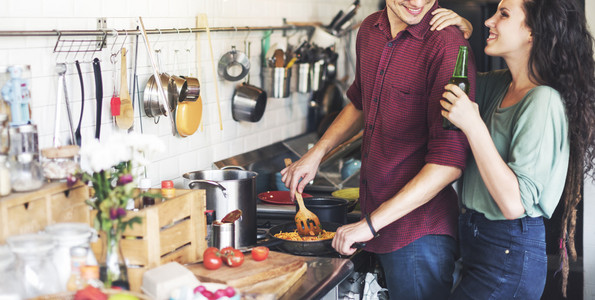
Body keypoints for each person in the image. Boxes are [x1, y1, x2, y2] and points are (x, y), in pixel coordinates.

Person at [281, 0, 476, 299]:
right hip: (375, 222)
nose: (417, 2)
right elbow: (360, 101)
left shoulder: (447, 43)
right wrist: (317, 153)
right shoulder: (369, 31)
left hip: (418, 234)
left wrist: (369, 225)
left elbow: (448, 162)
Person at [430, 0, 595, 298]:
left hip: (508, 255)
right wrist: (457, 39)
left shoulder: (542, 101)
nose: (488, 21)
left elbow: (513, 203)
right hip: (480, 245)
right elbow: (443, 84)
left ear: (533, 32)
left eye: (503, 14)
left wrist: (473, 124)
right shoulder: (500, 86)